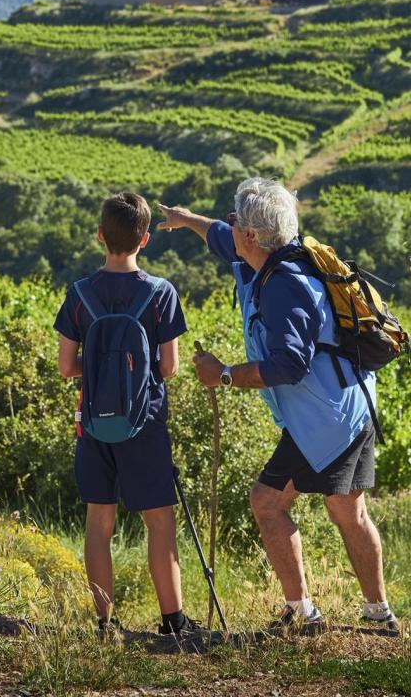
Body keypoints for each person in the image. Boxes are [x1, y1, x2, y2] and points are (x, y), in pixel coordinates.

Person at [158, 177, 398, 631]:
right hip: (351, 405)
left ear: (251, 236)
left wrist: (224, 373)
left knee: (267, 503)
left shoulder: (284, 286)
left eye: (235, 223)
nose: (229, 229)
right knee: (350, 510)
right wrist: (187, 220)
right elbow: (219, 235)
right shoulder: (268, 254)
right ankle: (378, 614)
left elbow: (289, 365)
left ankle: (303, 615)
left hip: (323, 422)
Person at [54, 191, 197, 635]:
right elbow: (169, 368)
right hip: (146, 422)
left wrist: (100, 372)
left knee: (99, 520)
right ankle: (173, 621)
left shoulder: (79, 294)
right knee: (159, 520)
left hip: (94, 419)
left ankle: (105, 622)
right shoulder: (161, 294)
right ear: (146, 239)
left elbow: (65, 368)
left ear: (100, 235)